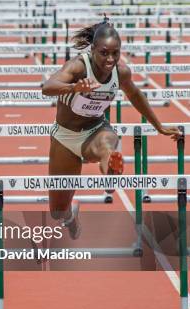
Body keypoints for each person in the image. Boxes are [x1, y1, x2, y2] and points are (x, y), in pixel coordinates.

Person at [42, 18, 180, 239]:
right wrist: (74, 87)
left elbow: (135, 95)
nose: (110, 59)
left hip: (95, 130)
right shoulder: (78, 66)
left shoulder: (121, 72)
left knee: (108, 145)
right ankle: (70, 217)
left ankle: (110, 172)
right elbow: (47, 87)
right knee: (57, 210)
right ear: (93, 49)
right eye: (104, 53)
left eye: (115, 53)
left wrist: (159, 126)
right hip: (65, 137)